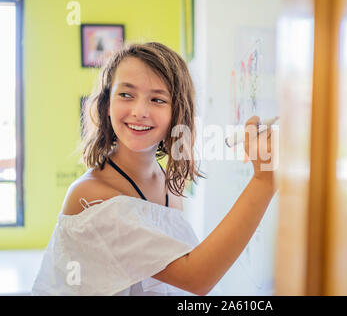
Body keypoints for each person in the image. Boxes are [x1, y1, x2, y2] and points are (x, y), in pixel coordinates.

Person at [31, 42, 277, 296]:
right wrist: (264, 180)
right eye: (126, 95)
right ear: (106, 105)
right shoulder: (91, 197)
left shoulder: (167, 181)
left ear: (177, 112)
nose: (139, 111)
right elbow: (197, 277)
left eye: (158, 99)